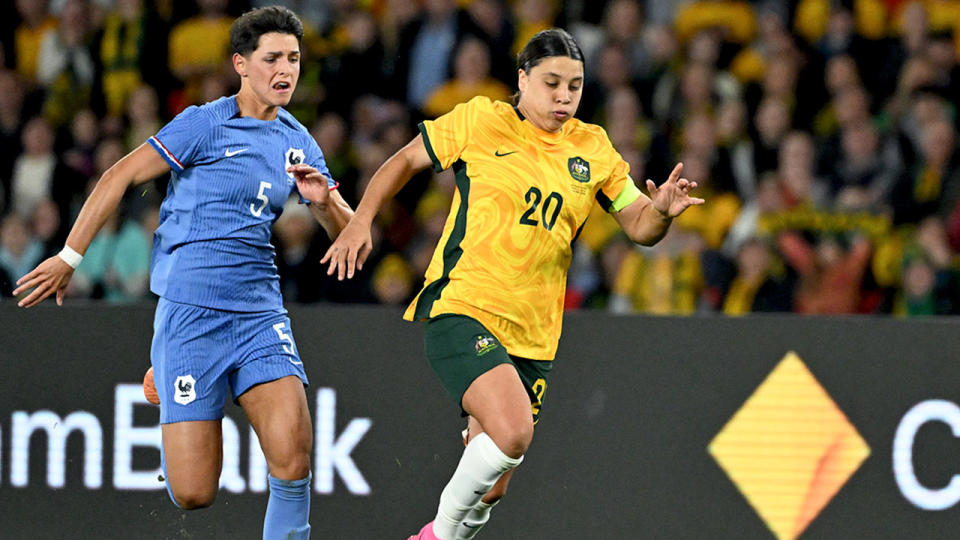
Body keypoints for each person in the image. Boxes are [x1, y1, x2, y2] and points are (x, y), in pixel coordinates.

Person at [322, 28, 703, 540]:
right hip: (465, 305)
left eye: (575, 85)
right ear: (522, 79)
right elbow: (405, 159)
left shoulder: (593, 148)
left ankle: (447, 534)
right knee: (514, 433)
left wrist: (661, 212)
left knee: (493, 485)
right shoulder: (482, 119)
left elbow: (639, 226)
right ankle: (432, 537)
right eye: (551, 83)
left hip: (535, 334)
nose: (564, 96)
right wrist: (361, 219)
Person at [13, 7, 353, 539]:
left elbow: (353, 237)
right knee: (195, 493)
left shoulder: (298, 139)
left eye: (293, 58)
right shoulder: (205, 123)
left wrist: (325, 204)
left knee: (294, 457)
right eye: (272, 59)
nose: (285, 69)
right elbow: (118, 176)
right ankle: (170, 384)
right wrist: (69, 256)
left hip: (260, 313)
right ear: (242, 64)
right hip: (191, 312)